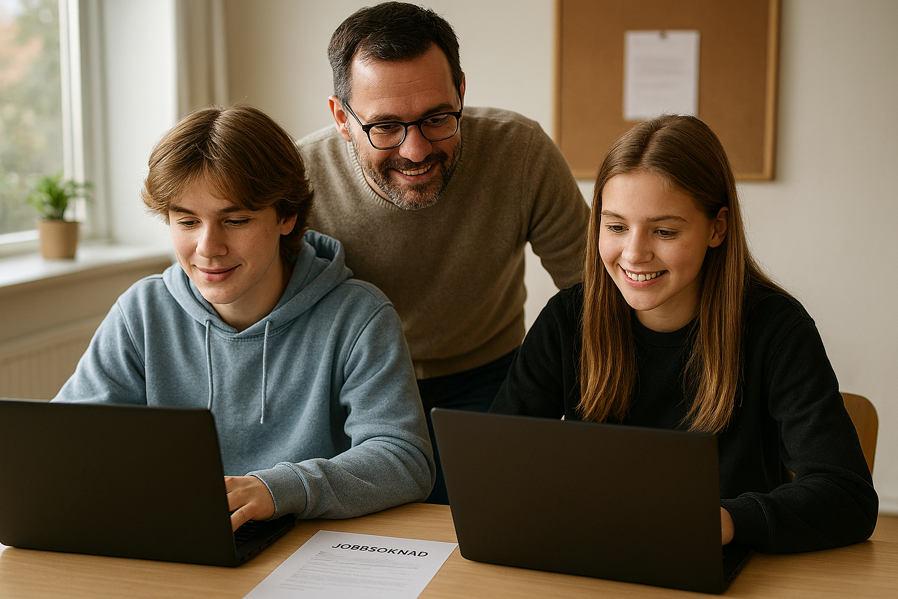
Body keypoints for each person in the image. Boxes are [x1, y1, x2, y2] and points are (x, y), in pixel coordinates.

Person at [490, 114, 878, 553]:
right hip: (598, 560)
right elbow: (498, 468)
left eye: (665, 230)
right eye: (616, 226)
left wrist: (727, 522)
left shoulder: (778, 330)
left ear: (718, 227)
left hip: (729, 564)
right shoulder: (567, 319)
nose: (634, 253)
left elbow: (848, 497)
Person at [52, 105, 435, 530]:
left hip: (307, 547)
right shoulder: (141, 313)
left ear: (286, 216)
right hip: (180, 543)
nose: (208, 247)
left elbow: (404, 460)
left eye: (235, 220)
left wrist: (278, 489)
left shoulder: (359, 316)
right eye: (186, 221)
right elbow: (63, 444)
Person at [298, 1, 590, 504]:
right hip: (355, 383)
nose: (415, 151)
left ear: (461, 92)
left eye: (436, 117)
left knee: (491, 524)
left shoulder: (520, 151)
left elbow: (595, 293)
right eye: (385, 126)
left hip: (491, 374)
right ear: (341, 118)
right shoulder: (299, 178)